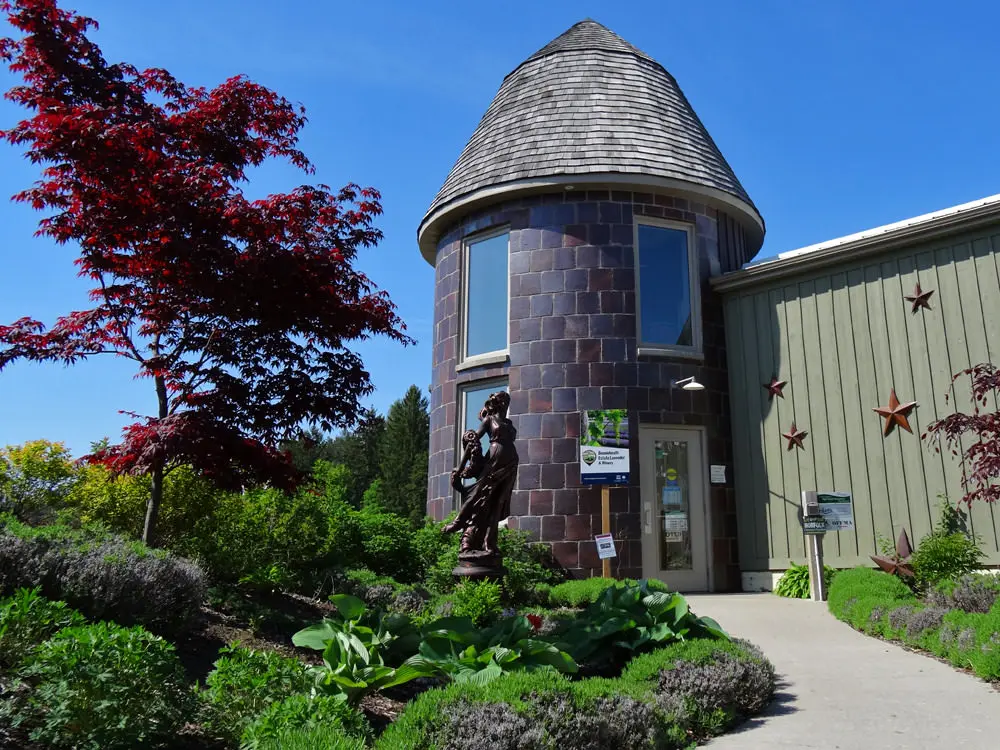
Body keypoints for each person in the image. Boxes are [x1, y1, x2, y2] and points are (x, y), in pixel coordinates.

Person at [444, 390, 519, 557]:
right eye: (504, 401)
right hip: (494, 461)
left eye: (507, 401)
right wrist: (461, 465)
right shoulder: (489, 420)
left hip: (511, 464)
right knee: (478, 493)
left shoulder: (508, 422)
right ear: (499, 403)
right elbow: (472, 442)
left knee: (498, 503)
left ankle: (490, 543)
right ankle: (459, 523)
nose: (506, 404)